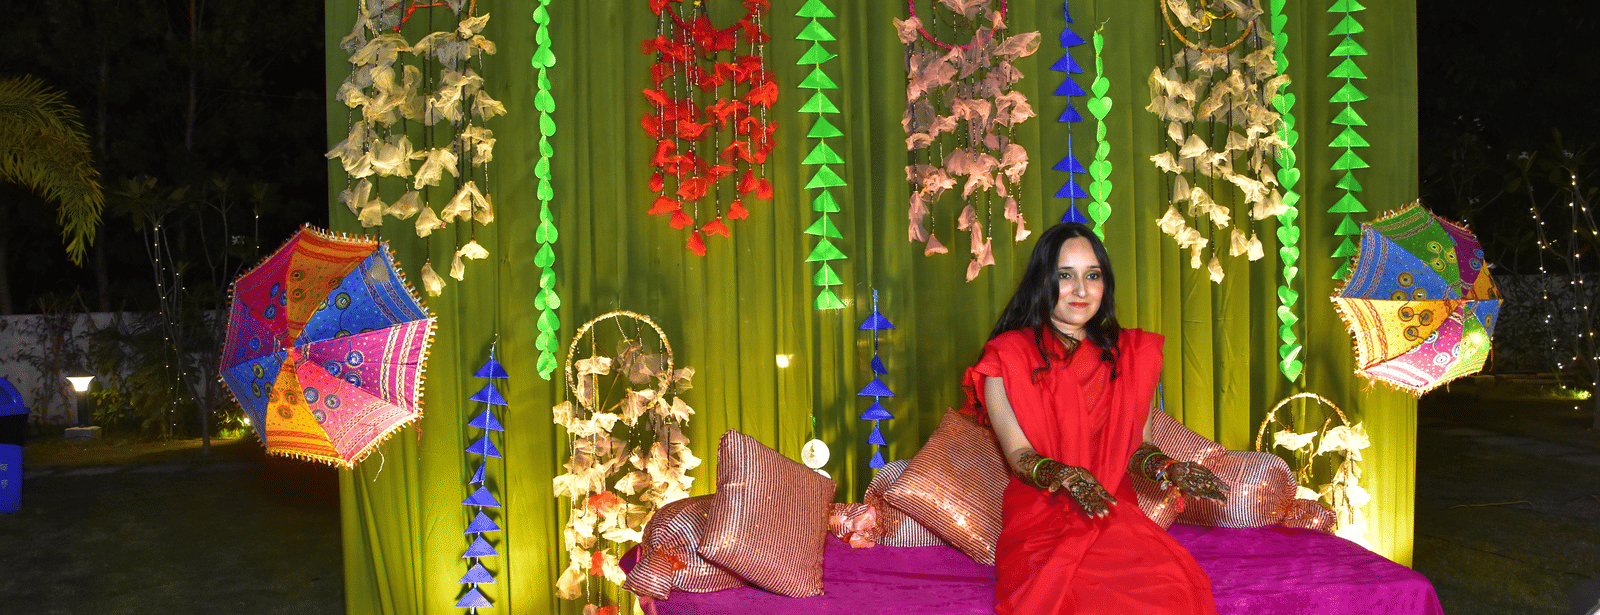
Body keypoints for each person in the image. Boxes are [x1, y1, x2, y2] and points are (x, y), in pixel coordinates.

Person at [961, 222, 1228, 615]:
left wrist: (1169, 468)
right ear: (1042, 281)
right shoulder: (1008, 356)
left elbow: (1137, 447)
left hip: (1111, 510)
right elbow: (1019, 455)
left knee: (1170, 589)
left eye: (1093, 276)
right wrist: (1065, 476)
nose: (1081, 291)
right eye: (1065, 276)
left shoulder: (1130, 355)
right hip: (1042, 518)